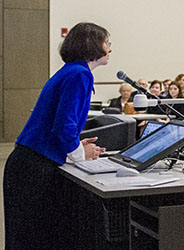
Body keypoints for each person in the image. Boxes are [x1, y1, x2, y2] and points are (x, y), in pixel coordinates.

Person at [4, 22, 110, 249]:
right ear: (92, 45)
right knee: (34, 238)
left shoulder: (71, 71)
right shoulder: (80, 74)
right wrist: (79, 153)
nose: (110, 48)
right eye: (106, 42)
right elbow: (64, 125)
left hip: (27, 162)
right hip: (35, 167)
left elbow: (60, 123)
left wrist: (76, 145)